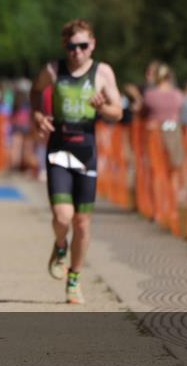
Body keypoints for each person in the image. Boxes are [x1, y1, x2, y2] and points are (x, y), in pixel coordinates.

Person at [31, 19, 122, 304]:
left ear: (92, 45)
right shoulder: (53, 70)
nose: (78, 52)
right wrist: (38, 115)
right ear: (65, 46)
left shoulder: (102, 72)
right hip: (58, 148)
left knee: (82, 222)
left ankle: (74, 277)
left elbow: (117, 111)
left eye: (83, 46)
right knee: (62, 217)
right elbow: (35, 92)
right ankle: (60, 246)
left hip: (86, 151)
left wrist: (102, 107)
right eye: (72, 46)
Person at [142, 64, 186, 197]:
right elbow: (180, 110)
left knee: (155, 170)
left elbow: (143, 112)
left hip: (154, 132)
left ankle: (157, 208)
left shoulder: (150, 95)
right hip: (172, 130)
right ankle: (171, 206)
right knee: (172, 170)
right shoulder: (177, 95)